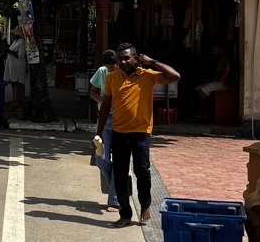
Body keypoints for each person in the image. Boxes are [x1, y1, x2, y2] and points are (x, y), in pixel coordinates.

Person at [96, 43, 181, 227]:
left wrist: (153, 62)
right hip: (118, 132)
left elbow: (174, 76)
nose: (123, 61)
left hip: (141, 134)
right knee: (120, 174)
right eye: (120, 58)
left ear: (135, 58)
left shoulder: (147, 76)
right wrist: (99, 132)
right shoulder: (112, 78)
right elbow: (105, 106)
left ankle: (145, 205)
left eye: (127, 57)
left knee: (142, 172)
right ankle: (125, 214)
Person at [89, 50, 120, 212]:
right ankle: (117, 189)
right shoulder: (102, 72)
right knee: (101, 158)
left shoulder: (123, 73)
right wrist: (104, 101)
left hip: (121, 119)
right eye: (108, 67)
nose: (111, 69)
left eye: (113, 66)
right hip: (104, 118)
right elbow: (92, 92)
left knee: (120, 160)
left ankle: (115, 199)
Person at [195, 42, 232, 122]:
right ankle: (203, 112)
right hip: (219, 81)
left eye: (215, 50)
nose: (213, 52)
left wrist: (221, 78)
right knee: (198, 89)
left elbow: (227, 67)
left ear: (221, 50)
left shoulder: (225, 58)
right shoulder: (220, 59)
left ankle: (202, 111)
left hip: (225, 83)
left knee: (202, 91)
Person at [4, 26, 28, 105]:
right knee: (13, 84)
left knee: (18, 85)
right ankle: (15, 100)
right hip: (12, 66)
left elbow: (21, 55)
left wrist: (10, 52)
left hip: (18, 66)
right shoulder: (15, 41)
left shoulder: (21, 42)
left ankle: (19, 101)